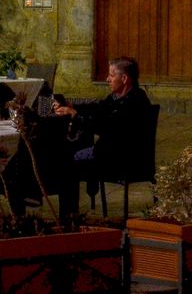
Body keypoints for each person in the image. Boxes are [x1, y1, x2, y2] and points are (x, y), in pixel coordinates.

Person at [53, 56, 152, 216]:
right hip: (114, 154)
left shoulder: (134, 102)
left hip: (121, 160)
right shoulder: (121, 96)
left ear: (124, 78)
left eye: (112, 75)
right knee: (73, 154)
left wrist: (75, 116)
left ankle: (68, 217)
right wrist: (72, 106)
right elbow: (98, 108)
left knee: (66, 162)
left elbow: (106, 127)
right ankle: (75, 209)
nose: (107, 79)